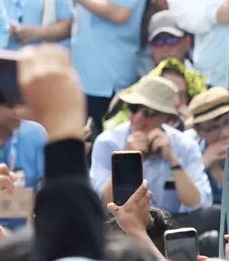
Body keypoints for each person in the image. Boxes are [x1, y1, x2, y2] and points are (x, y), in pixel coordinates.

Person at [89, 75, 211, 215]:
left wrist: (172, 160)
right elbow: (104, 203)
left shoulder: (185, 145)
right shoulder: (108, 142)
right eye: (134, 108)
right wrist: (126, 161)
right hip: (122, 224)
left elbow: (198, 203)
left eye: (149, 113)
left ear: (169, 119)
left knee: (212, 214)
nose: (138, 118)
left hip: (170, 224)